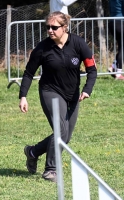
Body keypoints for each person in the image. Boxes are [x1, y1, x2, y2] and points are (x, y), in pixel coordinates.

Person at [18, 11, 97, 182]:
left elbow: (92, 69)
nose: (50, 31)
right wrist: (23, 96)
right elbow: (28, 73)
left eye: (54, 27)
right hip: (50, 91)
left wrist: (87, 89)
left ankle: (32, 152)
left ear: (64, 27)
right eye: (48, 27)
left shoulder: (78, 43)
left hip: (73, 94)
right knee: (60, 130)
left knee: (65, 137)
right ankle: (51, 170)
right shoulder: (42, 48)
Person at [108, 0, 124, 80]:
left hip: (112, 22)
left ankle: (114, 66)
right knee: (122, 48)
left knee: (121, 46)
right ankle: (118, 73)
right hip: (120, 21)